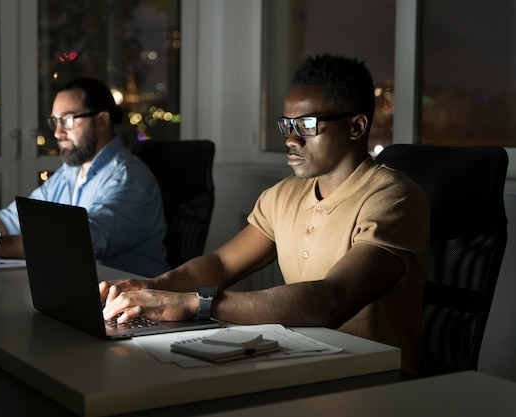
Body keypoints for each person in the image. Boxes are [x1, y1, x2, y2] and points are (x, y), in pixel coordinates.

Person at [99, 54, 430, 373]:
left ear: (356, 127)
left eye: (307, 125)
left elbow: (330, 300)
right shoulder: (283, 195)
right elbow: (222, 264)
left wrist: (195, 303)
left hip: (374, 376)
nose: (291, 139)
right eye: (287, 124)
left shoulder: (394, 198)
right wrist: (152, 288)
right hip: (302, 363)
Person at [0, 77, 170, 277]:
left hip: (132, 304)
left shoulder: (128, 178)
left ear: (102, 120)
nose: (57, 133)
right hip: (82, 292)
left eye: (67, 120)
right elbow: (12, 219)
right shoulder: (70, 172)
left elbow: (81, 242)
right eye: (55, 121)